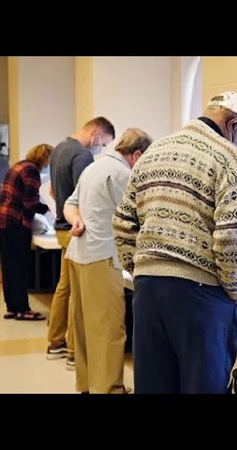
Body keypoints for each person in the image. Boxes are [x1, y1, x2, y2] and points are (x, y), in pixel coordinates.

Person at [113, 91, 237, 394]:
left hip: (148, 293)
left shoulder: (154, 152)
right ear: (234, 125)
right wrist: (233, 291)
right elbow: (233, 237)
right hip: (201, 297)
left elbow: (122, 222)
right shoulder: (231, 158)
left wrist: (143, 270)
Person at [63, 128, 153, 394]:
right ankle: (110, 388)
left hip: (79, 255)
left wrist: (76, 220)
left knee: (84, 327)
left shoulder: (94, 167)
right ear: (137, 155)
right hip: (102, 257)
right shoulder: (123, 174)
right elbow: (139, 218)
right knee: (109, 328)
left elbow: (71, 203)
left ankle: (89, 384)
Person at [46, 116, 116, 370]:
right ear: (97, 134)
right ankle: (75, 351)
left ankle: (55, 342)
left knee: (65, 287)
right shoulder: (83, 157)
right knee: (78, 293)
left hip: (62, 227)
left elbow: (54, 192)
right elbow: (86, 198)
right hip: (79, 230)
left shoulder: (59, 149)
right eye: (104, 143)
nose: (102, 148)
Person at [0, 143, 53, 321]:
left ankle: (12, 307)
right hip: (17, 222)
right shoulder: (32, 171)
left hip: (4, 221)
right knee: (20, 267)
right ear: (45, 158)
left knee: (8, 267)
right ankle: (23, 309)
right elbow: (30, 202)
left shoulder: (18, 165)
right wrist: (50, 209)